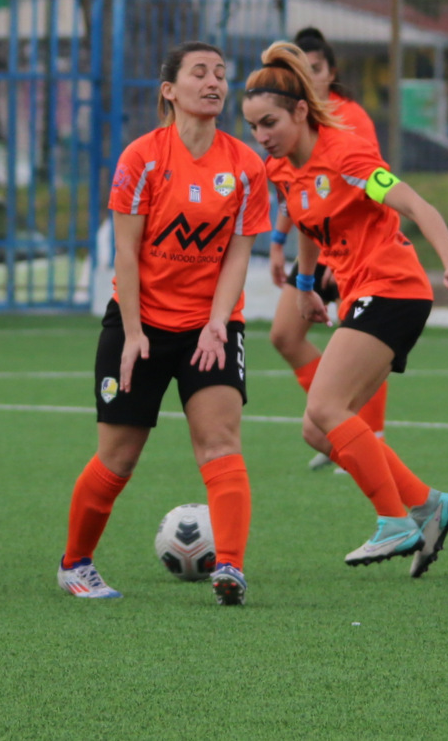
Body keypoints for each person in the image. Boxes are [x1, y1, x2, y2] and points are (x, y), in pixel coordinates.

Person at [242, 42, 448, 577]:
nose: (261, 136)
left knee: (327, 407)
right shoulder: (281, 168)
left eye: (269, 122)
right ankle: (427, 504)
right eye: (253, 126)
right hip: (363, 294)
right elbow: (307, 222)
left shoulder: (347, 156)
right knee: (317, 429)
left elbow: (415, 204)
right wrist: (305, 286)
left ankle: (393, 521)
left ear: (301, 111)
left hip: (394, 288)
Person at [57, 41, 269, 606]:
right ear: (169, 90)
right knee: (119, 457)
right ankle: (75, 564)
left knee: (220, 442)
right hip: (141, 323)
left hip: (211, 327)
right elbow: (125, 254)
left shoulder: (245, 166)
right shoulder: (142, 158)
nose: (214, 82)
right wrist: (132, 334)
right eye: (200, 73)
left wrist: (218, 323)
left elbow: (239, 255)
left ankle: (230, 567)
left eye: (221, 74)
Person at [267, 28, 387, 472]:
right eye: (300, 69)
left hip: (352, 248)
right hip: (313, 244)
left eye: (315, 68)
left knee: (361, 337)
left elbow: (372, 187)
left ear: (330, 72)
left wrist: (348, 256)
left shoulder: (350, 117)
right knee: (284, 335)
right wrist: (277, 243)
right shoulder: (292, 120)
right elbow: (294, 190)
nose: (309, 76)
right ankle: (334, 422)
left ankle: (369, 434)